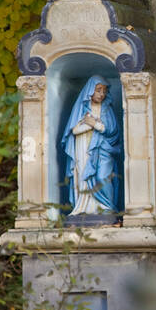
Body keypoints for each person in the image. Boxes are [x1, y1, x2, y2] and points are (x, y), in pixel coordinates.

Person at [62, 75, 122, 217]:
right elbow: (74, 130)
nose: (102, 94)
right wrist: (90, 126)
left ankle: (107, 207)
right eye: (98, 90)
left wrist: (95, 124)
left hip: (103, 148)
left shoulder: (107, 108)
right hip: (83, 147)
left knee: (102, 176)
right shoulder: (82, 108)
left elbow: (113, 130)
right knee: (83, 177)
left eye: (104, 91)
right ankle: (85, 207)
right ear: (90, 90)